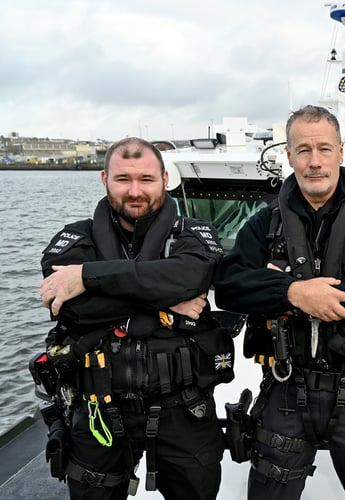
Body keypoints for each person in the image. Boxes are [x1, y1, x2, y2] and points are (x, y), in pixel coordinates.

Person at [213, 105, 345, 500]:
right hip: (286, 389)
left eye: (324, 149)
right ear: (289, 156)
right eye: (303, 150)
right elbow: (229, 287)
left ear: (341, 151)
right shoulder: (262, 225)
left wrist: (289, 287)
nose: (314, 162)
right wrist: (294, 293)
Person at [37, 137, 232, 500]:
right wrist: (162, 301)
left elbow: (189, 277)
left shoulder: (193, 235)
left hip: (183, 407)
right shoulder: (74, 239)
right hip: (98, 408)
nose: (135, 191)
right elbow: (71, 307)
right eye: (123, 179)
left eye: (146, 179)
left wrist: (87, 278)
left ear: (164, 179)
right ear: (104, 179)